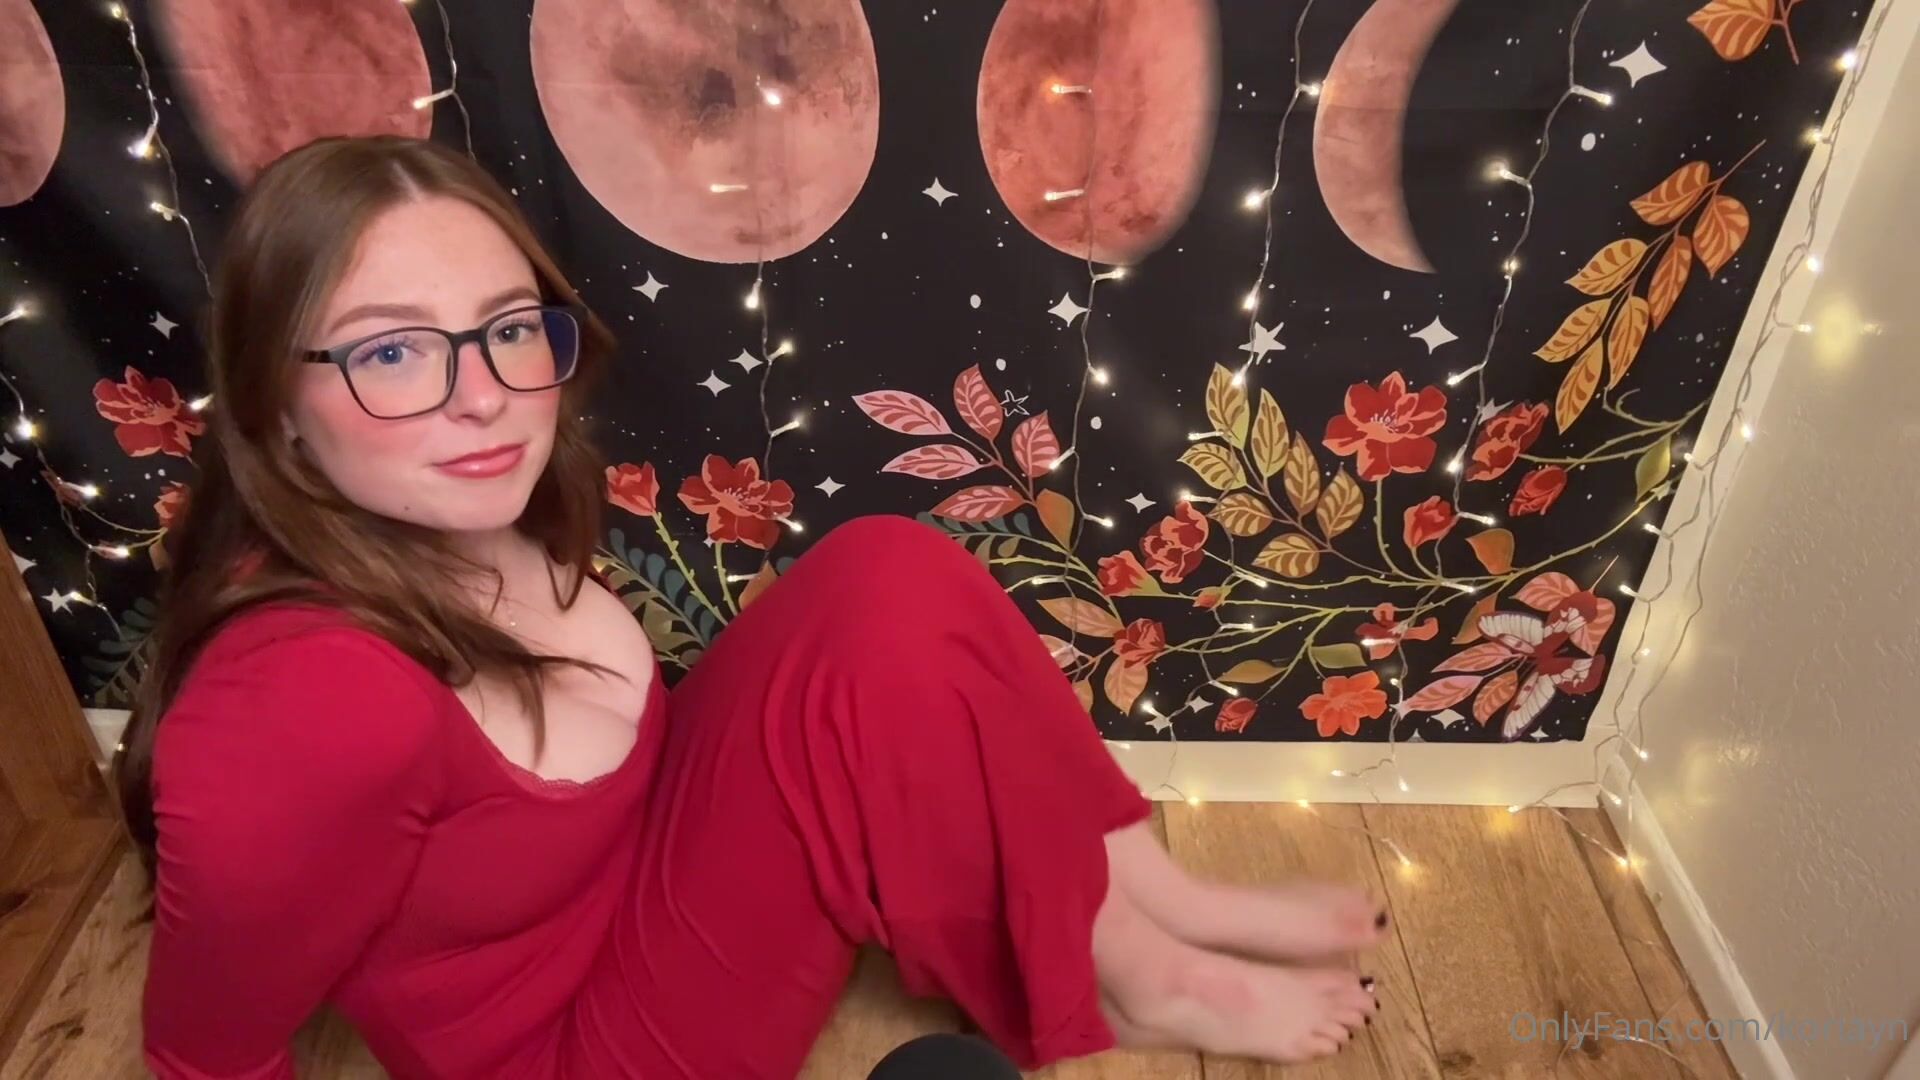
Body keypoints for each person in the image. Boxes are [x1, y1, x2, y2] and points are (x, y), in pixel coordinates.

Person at [115, 136, 1384, 1080]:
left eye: (507, 329)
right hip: (589, 1049)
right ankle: (1143, 975)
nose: (484, 394)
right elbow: (199, 1054)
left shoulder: (452, 511)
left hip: (641, 873)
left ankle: (1150, 911)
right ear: (274, 403)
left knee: (886, 573)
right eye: (391, 351)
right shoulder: (304, 708)